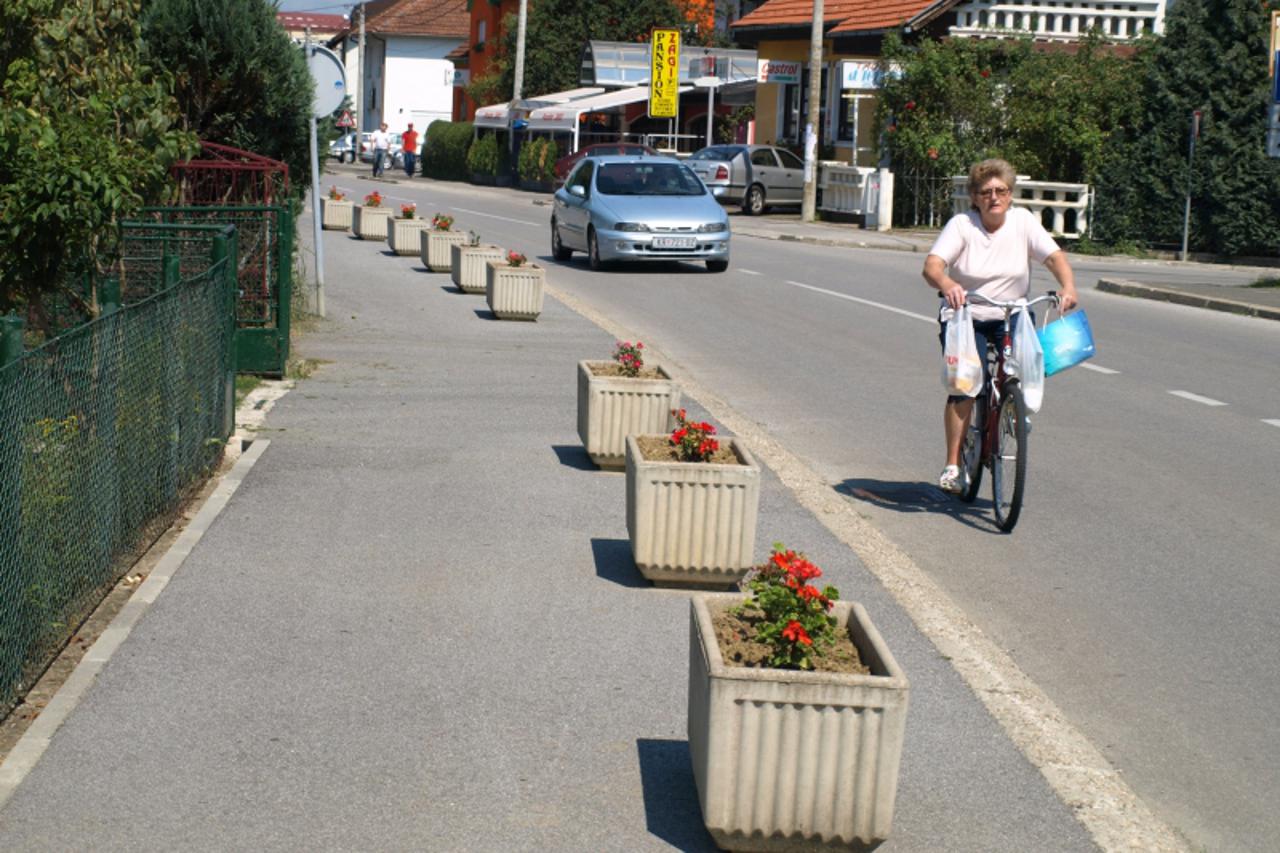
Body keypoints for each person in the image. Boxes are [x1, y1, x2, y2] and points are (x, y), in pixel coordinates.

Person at [922, 158, 1079, 494]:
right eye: (986, 192)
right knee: (965, 385)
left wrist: (1068, 287)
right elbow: (933, 265)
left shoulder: (1023, 222)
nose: (994, 197)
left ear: (1010, 195)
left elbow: (1054, 257)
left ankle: (1011, 405)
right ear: (975, 198)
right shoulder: (963, 225)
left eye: (1001, 191)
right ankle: (953, 465)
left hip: (1012, 311)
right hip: (968, 315)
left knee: (1027, 364)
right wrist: (948, 285)